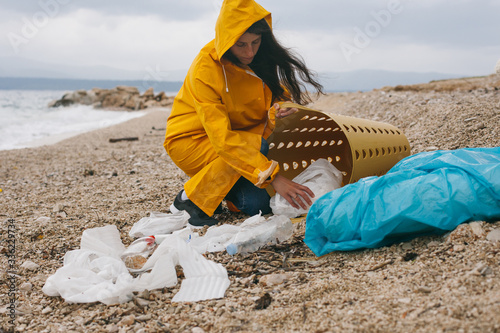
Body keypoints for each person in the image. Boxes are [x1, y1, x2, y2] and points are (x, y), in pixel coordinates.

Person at [164, 0, 324, 227]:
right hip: (191, 142)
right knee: (257, 148)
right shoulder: (206, 69)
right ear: (227, 40)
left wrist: (281, 105)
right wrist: (274, 178)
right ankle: (189, 200)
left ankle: (224, 189)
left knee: (258, 205)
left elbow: (274, 92)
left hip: (240, 139)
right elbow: (223, 139)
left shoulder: (256, 58)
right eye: (241, 45)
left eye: (255, 42)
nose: (249, 51)